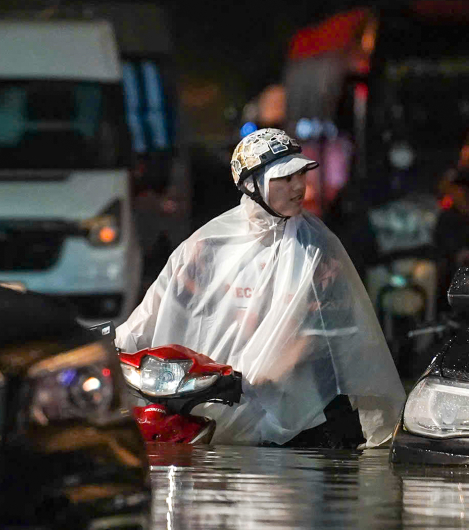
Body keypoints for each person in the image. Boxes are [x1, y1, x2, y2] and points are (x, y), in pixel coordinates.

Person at [115, 128, 406, 448]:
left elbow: (317, 334)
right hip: (211, 403)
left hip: (297, 413)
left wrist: (258, 382)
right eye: (284, 178)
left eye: (300, 175)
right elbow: (160, 304)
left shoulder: (316, 249)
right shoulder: (207, 245)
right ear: (253, 185)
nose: (298, 187)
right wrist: (116, 347)